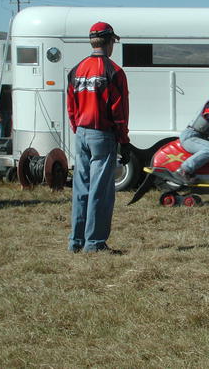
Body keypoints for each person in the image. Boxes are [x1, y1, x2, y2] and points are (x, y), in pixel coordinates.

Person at [66, 22, 131, 254]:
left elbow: (71, 105)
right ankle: (94, 243)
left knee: (81, 188)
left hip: (82, 132)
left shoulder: (76, 70)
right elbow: (119, 110)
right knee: (100, 191)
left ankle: (76, 241)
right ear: (110, 41)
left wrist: (77, 127)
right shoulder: (114, 71)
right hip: (103, 134)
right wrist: (124, 140)